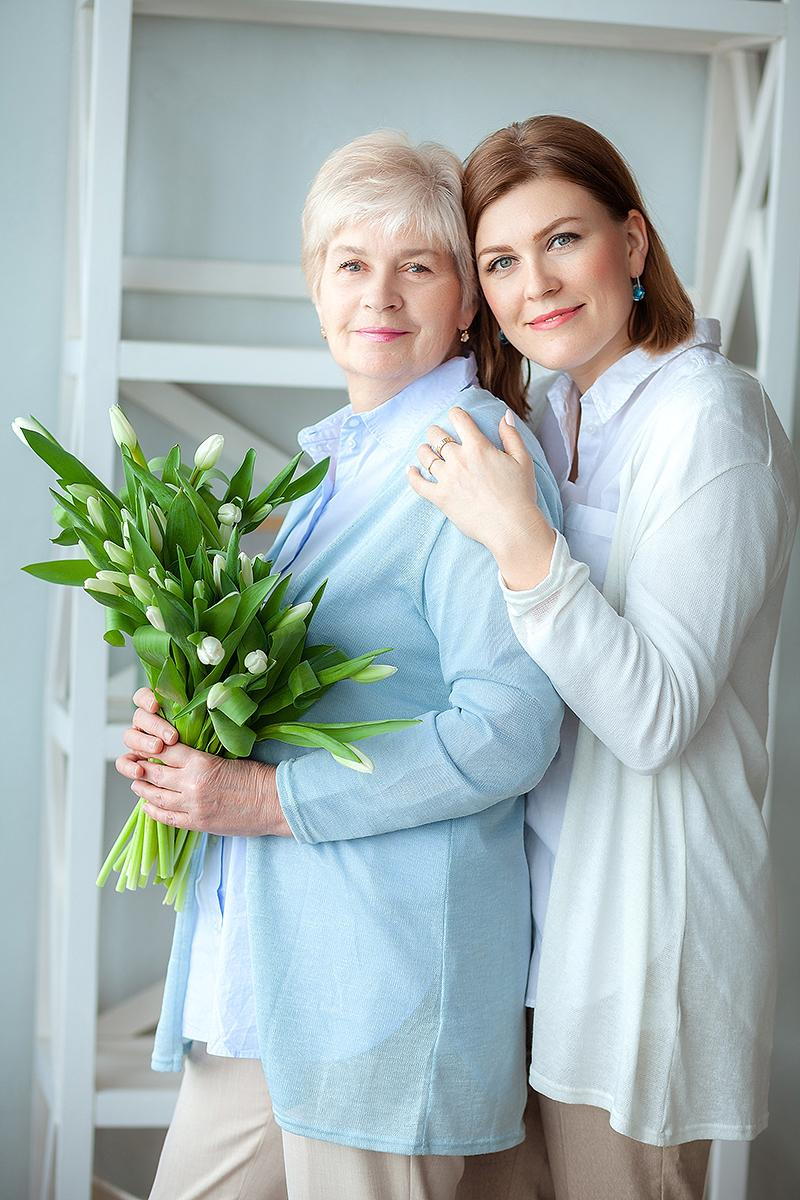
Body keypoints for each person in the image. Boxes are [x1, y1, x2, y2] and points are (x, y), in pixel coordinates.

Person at [116, 130, 564, 1200]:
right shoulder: (327, 470)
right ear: (315, 291)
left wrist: (262, 797)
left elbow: (505, 727)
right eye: (350, 263)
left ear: (465, 302)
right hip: (262, 977)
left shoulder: (471, 454)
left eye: (418, 265)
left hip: (379, 981)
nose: (382, 294)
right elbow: (302, 686)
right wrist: (184, 722)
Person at [408, 114, 800, 1200]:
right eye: (498, 259)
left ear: (631, 243)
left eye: (561, 240)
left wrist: (519, 540)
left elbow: (654, 717)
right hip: (526, 928)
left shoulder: (710, 419)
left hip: (638, 945)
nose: (532, 282)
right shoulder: (550, 418)